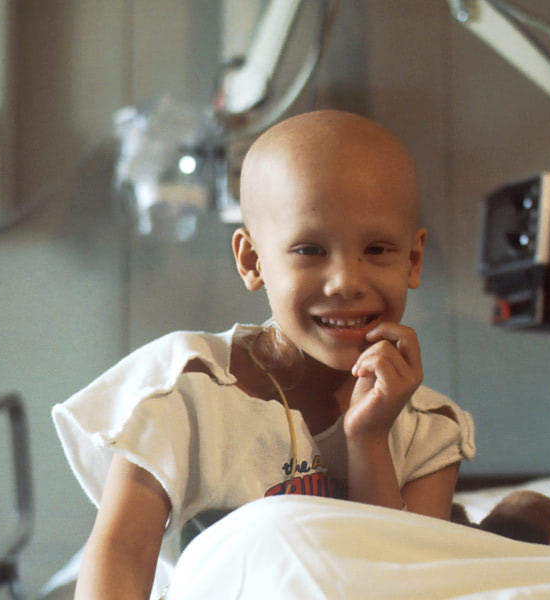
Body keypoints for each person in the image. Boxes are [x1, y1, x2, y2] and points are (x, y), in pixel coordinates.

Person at [52, 109, 476, 599]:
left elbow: (397, 587)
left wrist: (369, 440)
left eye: (377, 249)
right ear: (252, 261)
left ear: (413, 260)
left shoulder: (430, 432)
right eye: (310, 250)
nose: (346, 282)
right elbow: (123, 555)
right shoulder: (181, 391)